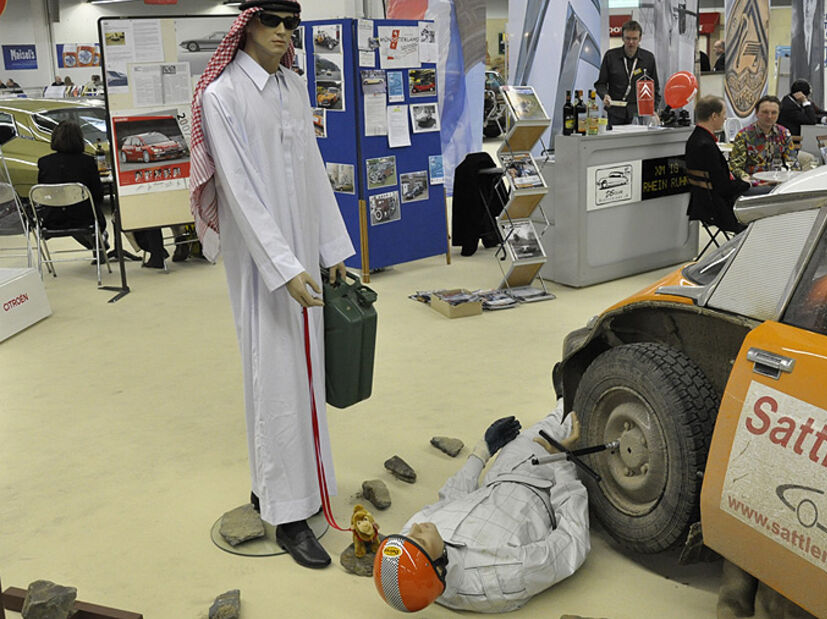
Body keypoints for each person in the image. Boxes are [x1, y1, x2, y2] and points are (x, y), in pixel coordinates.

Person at [189, 0, 354, 569]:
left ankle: (293, 487)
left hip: (303, 254)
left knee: (305, 373)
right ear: (248, 24)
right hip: (264, 267)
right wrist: (283, 268)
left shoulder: (292, 87)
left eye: (292, 24)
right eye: (272, 22)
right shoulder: (222, 96)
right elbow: (237, 192)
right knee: (275, 376)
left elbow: (311, 167)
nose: (284, 34)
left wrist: (329, 249)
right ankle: (285, 513)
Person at [375, 403, 589, 613]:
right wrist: (562, 461)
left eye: (407, 534)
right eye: (420, 539)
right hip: (551, 484)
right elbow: (572, 540)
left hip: (504, 471)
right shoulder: (504, 577)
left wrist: (481, 452)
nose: (416, 528)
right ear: (439, 568)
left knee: (557, 415)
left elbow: (451, 501)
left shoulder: (413, 549)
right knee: (580, 414)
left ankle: (564, 397)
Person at [34, 120, 107, 260]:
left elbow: (44, 192)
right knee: (87, 214)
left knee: (68, 210)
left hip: (52, 219)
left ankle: (97, 244)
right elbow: (98, 195)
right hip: (84, 218)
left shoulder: (44, 163)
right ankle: (98, 244)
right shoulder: (88, 161)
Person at [686, 95, 750, 232]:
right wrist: (746, 183)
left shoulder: (694, 139)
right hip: (718, 208)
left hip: (703, 203)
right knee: (768, 194)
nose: (725, 118)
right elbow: (723, 187)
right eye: (724, 114)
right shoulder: (706, 145)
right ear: (714, 116)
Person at [594, 20, 660, 126]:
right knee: (615, 142)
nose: (631, 42)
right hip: (615, 112)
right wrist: (605, 95)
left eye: (635, 39)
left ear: (640, 39)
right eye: (628, 38)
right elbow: (600, 84)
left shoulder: (648, 58)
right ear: (622, 38)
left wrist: (653, 109)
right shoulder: (610, 56)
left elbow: (655, 87)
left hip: (638, 114)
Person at [730, 95, 797, 184]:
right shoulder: (744, 135)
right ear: (756, 113)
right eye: (765, 112)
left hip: (778, 182)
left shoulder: (784, 133)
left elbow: (792, 162)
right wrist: (749, 180)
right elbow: (735, 167)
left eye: (774, 113)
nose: (769, 116)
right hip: (754, 184)